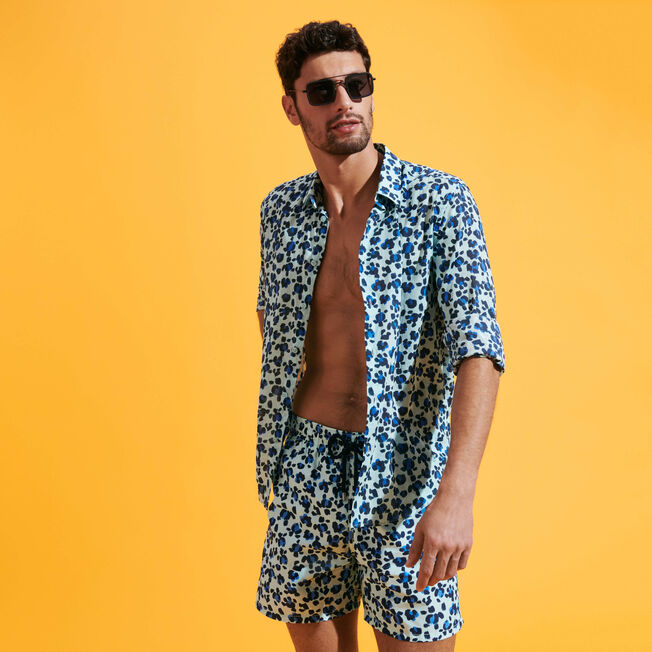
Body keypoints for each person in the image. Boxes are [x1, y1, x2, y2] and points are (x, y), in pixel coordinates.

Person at [254, 19, 506, 652]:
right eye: (322, 92)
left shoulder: (438, 201)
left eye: (357, 85)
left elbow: (479, 348)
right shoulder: (280, 211)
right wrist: (286, 462)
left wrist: (456, 495)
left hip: (403, 472)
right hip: (307, 465)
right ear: (292, 108)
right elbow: (273, 321)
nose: (344, 103)